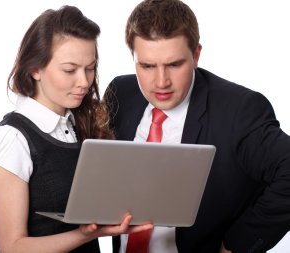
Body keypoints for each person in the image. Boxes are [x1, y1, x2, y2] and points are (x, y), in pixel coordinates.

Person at [103, 0, 290, 252]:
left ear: (196, 55)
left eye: (174, 64)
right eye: (147, 66)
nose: (161, 82)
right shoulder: (120, 93)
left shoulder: (240, 111)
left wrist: (236, 245)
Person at [0, 5, 152, 253]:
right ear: (35, 69)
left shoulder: (78, 124)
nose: (84, 82)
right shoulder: (12, 138)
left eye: (90, 68)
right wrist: (83, 234)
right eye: (70, 70)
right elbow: (12, 248)